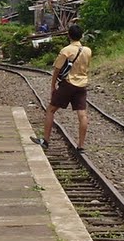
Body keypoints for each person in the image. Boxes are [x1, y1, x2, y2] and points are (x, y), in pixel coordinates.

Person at [31, 23, 91, 151]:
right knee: (82, 114)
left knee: (51, 110)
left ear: (69, 35)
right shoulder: (88, 51)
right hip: (82, 85)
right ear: (81, 36)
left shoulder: (66, 50)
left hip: (68, 84)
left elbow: (57, 70)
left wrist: (53, 86)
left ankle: (45, 141)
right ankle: (81, 145)